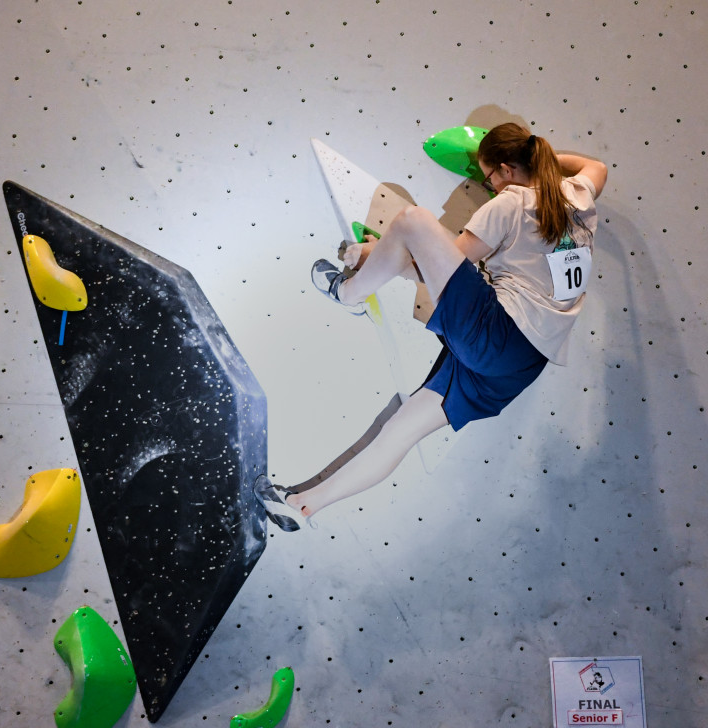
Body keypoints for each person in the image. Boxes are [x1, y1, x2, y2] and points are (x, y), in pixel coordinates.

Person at [255, 122, 608, 532]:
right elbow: (597, 166)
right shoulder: (578, 195)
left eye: (489, 176)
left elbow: (434, 265)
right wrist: (539, 160)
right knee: (400, 430)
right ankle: (303, 506)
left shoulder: (510, 203)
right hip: (522, 364)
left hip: (497, 334)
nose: (490, 186)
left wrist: (378, 252)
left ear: (506, 169)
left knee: (413, 220)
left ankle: (347, 295)